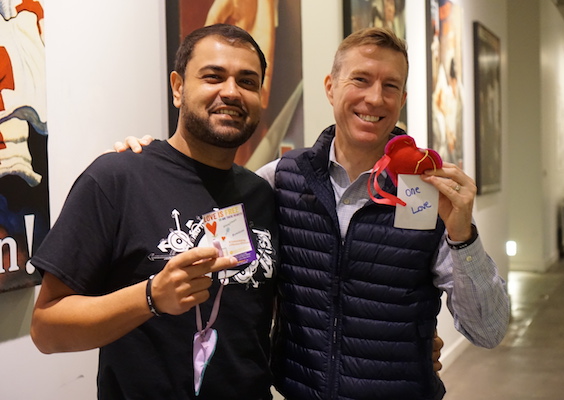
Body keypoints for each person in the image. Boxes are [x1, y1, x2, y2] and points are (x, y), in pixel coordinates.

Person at [116, 27, 508, 400]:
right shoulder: (279, 180)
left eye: (391, 86)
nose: (375, 98)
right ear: (330, 87)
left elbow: (488, 331)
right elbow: (205, 195)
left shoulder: (427, 191)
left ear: (402, 99)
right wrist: (150, 156)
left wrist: (463, 236)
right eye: (360, 80)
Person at [30, 24, 278, 400]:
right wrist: (150, 297)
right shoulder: (117, 178)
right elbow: (46, 329)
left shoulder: (261, 195)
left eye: (247, 81)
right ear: (178, 87)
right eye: (213, 76)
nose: (231, 91)